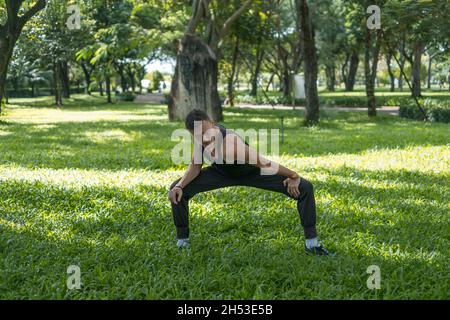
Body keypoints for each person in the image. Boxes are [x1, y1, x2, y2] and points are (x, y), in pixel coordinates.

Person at [168, 109, 329, 255]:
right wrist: (180, 185)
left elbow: (264, 163)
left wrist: (294, 176)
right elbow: (195, 166)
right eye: (197, 136)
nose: (203, 138)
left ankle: (312, 244)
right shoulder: (200, 137)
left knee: (305, 187)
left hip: (251, 172)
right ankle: (182, 242)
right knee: (176, 190)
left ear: (213, 124)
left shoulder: (231, 144)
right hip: (220, 173)